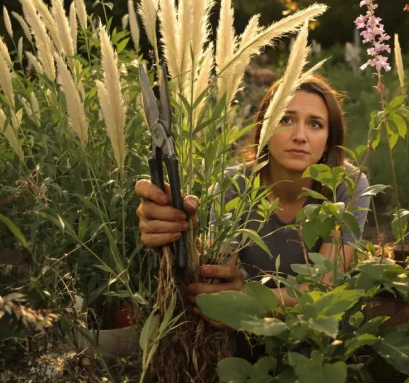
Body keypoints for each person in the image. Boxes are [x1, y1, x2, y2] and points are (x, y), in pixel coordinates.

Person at [134, 74, 371, 331]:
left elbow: (324, 287)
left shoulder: (347, 185)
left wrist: (246, 301)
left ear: (328, 141)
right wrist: (183, 237)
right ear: (264, 129)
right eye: (285, 119)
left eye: (315, 124)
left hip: (319, 334)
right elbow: (218, 272)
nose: (300, 136)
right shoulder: (234, 185)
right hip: (247, 334)